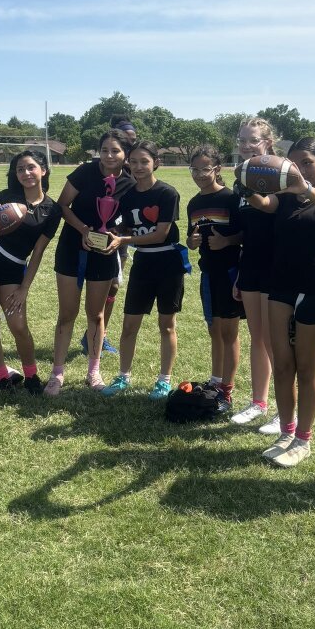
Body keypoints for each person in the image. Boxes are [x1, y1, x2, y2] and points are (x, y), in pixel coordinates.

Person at [248, 137, 315, 467]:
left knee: (306, 368)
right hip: (280, 285)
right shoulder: (284, 196)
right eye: (294, 164)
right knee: (281, 363)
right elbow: (265, 205)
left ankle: (303, 439)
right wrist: (246, 187)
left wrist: (302, 186)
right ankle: (286, 431)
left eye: (307, 161)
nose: (300, 169)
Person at [45, 130, 135, 395]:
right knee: (67, 314)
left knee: (96, 315)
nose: (109, 155)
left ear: (125, 154)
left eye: (116, 151)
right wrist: (84, 230)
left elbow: (129, 220)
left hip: (105, 253)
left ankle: (93, 371)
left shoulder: (130, 182)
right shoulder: (85, 172)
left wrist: (117, 236)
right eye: (105, 150)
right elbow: (62, 205)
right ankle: (57, 374)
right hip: (72, 248)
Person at [0, 151, 61, 394]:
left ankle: (31, 375)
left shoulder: (53, 209)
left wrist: (24, 288)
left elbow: (38, 252)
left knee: (18, 326)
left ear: (44, 170)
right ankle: (2, 377)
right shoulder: (6, 196)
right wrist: (2, 217)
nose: (26, 173)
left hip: (14, 267)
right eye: (20, 169)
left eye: (31, 167)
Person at [101, 141, 187, 399]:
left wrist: (124, 240)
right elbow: (127, 227)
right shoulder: (127, 196)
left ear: (155, 163)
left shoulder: (167, 193)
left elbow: (160, 233)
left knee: (166, 325)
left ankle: (164, 380)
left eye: (144, 162)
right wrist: (112, 233)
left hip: (168, 264)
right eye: (134, 162)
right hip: (143, 264)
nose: (138, 167)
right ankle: (123, 376)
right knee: (129, 325)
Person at [186, 145, 245, 412]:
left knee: (229, 333)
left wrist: (228, 241)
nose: (199, 174)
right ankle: (216, 380)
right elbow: (192, 237)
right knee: (214, 331)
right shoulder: (194, 203)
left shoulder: (231, 199)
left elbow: (248, 234)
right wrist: (192, 241)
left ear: (217, 169)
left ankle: (227, 391)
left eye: (205, 169)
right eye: (195, 169)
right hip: (207, 273)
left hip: (231, 272)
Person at [230, 117, 279, 430]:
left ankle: (289, 410)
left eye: (253, 141)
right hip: (251, 265)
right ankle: (259, 402)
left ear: (268, 144)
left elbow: (272, 210)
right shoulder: (241, 177)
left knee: (277, 342)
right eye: (242, 140)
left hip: (279, 265)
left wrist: (247, 188)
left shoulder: (280, 173)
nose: (246, 146)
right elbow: (246, 230)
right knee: (257, 337)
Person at [81, 113, 139, 357]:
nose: (130, 142)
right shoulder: (96, 169)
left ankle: (97, 335)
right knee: (105, 285)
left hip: (118, 237)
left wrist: (123, 231)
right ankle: (94, 333)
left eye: (132, 139)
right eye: (126, 138)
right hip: (90, 237)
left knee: (114, 287)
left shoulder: (134, 171)